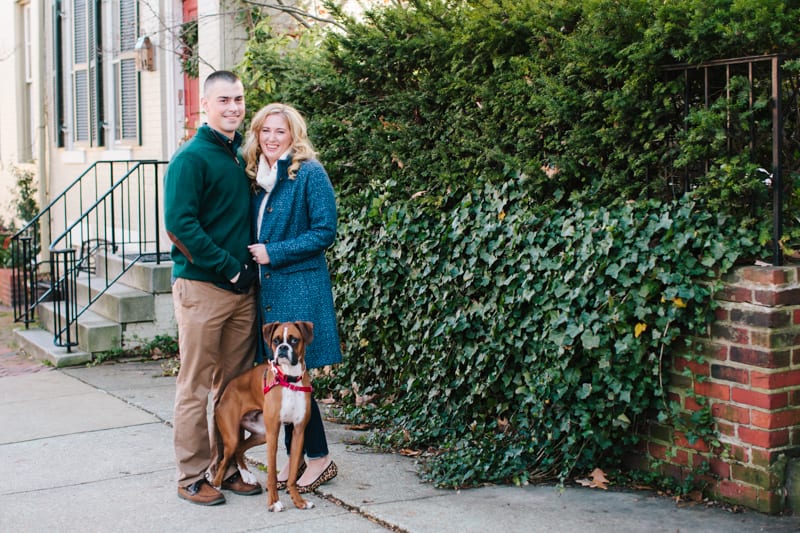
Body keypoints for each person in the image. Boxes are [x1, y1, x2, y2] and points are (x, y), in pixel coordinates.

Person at [164, 70, 262, 506]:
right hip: (203, 288)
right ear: (204, 105)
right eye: (223, 100)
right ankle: (190, 476)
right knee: (195, 387)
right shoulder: (191, 158)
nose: (233, 108)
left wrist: (245, 274)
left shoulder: (239, 155)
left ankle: (227, 467)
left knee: (236, 388)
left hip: (242, 293)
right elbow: (179, 225)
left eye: (238, 99)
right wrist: (229, 267)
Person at [243, 102, 341, 492]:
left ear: (293, 135)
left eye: (279, 131)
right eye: (265, 130)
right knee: (283, 378)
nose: (271, 138)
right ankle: (297, 459)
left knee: (295, 376)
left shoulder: (309, 173)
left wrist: (274, 252)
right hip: (271, 290)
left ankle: (318, 459)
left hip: (299, 286)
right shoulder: (259, 176)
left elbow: (325, 231)